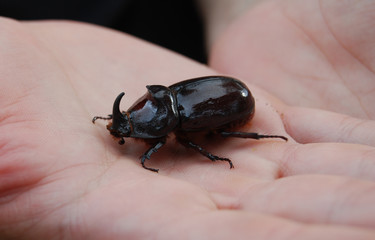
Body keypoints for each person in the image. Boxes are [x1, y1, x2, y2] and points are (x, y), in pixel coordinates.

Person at [0, 0, 374, 239]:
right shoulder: (162, 103)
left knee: (208, 139)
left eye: (129, 119)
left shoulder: (174, 125)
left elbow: (182, 140)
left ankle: (258, 138)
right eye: (129, 120)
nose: (126, 123)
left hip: (232, 100)